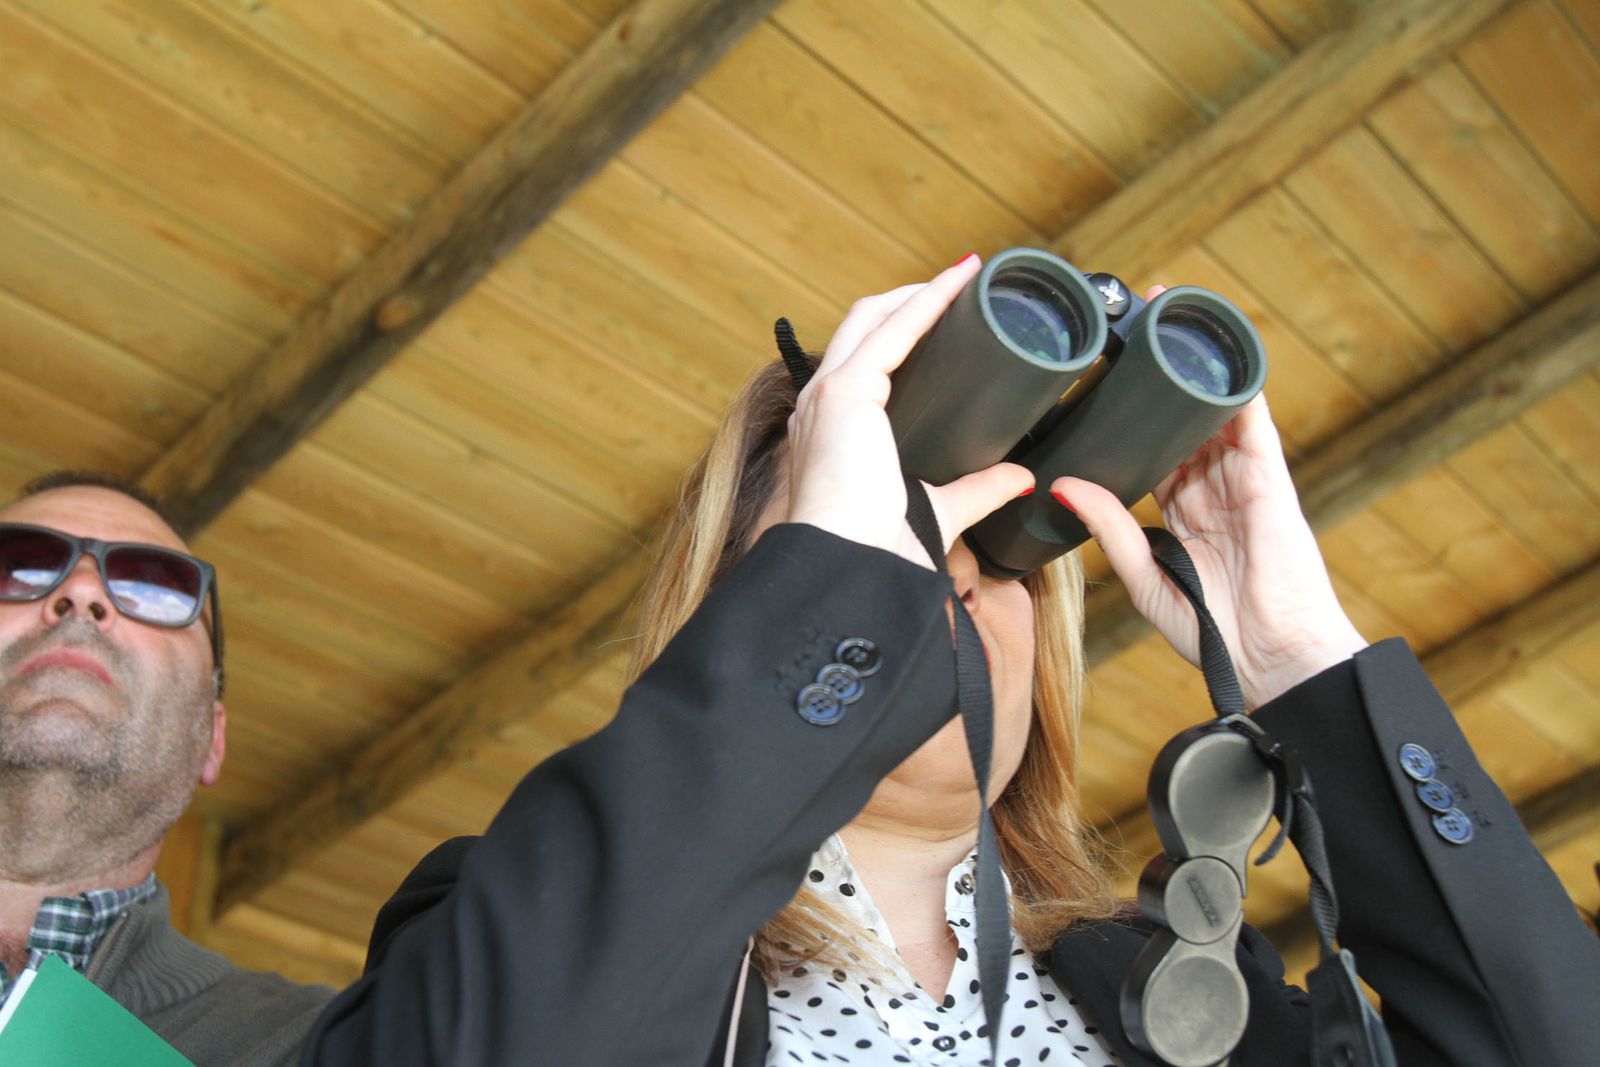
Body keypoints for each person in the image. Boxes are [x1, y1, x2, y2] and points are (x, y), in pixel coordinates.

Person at [302, 254, 1599, 1066]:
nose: (953, 570)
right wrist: (832, 581)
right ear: (751, 598)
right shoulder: (516, 913)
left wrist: (1304, 665)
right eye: (892, 531)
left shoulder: (1187, 992)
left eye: (1003, 547)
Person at [0, 472, 334, 1064]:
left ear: (212, 737)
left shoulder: (331, 1045)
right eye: (16, 566)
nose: (82, 592)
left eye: (154, 587)